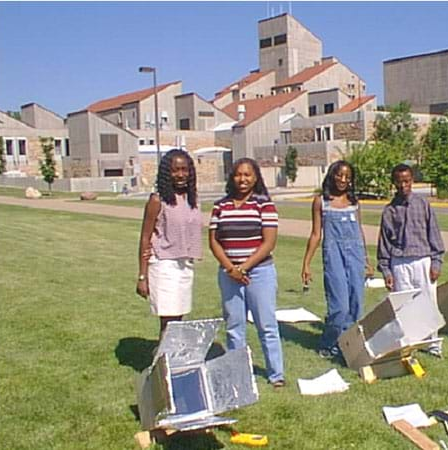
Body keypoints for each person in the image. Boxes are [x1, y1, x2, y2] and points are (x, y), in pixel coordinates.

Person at [209, 158, 285, 388]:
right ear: (232, 177)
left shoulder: (264, 205)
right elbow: (214, 241)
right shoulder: (220, 206)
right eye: (238, 175)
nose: (243, 179)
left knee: (267, 325)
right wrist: (231, 269)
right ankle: (237, 374)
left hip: (259, 273)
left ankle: (276, 375)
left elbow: (269, 242)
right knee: (234, 326)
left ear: (255, 177)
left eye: (248, 175)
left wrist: (244, 267)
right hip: (229, 275)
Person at [301, 160, 374, 359]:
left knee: (356, 304)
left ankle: (347, 344)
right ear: (332, 175)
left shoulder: (354, 202)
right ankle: (329, 342)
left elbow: (359, 231)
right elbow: (316, 234)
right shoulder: (321, 202)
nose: (343, 180)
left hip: (355, 255)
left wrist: (366, 260)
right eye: (339, 175)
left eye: (347, 177)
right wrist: (306, 263)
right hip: (334, 256)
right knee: (339, 306)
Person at [377, 163, 445, 357]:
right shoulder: (389, 211)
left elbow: (434, 233)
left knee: (428, 302)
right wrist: (386, 270)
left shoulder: (423, 204)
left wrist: (436, 261)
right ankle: (409, 343)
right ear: (394, 184)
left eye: (406, 181)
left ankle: (433, 344)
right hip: (399, 263)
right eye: (399, 182)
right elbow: (384, 242)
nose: (403, 186)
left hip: (423, 260)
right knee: (404, 305)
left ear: (412, 181)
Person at [136, 149, 202, 340]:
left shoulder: (193, 199)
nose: (180, 175)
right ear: (167, 173)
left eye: (184, 169)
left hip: (185, 265)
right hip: (164, 265)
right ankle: (163, 363)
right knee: (169, 322)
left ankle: (171, 361)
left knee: (178, 318)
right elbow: (145, 238)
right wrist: (142, 276)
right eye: (175, 170)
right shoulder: (157, 200)